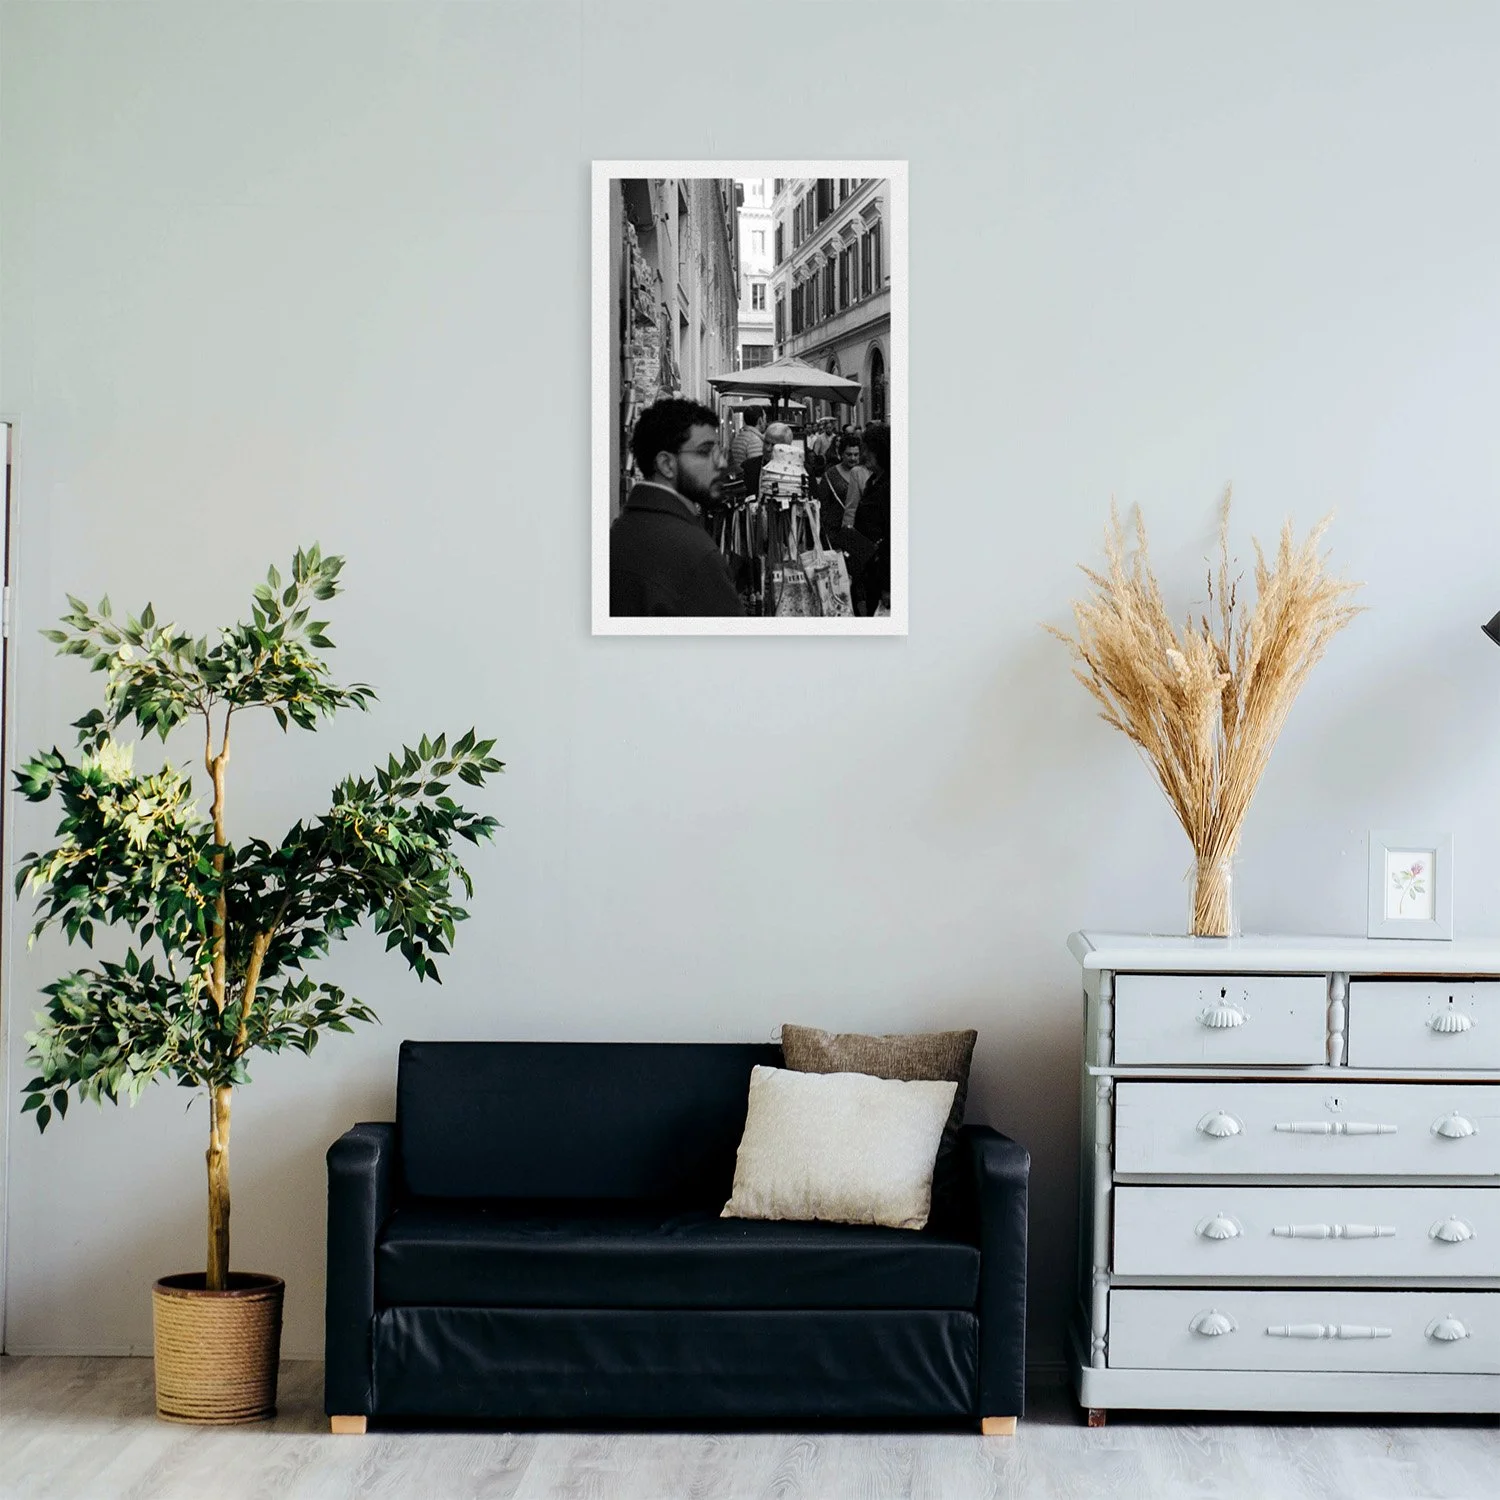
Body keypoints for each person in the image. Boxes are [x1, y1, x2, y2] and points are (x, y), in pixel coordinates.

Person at [610, 399, 744, 616]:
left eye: (718, 451)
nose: (720, 463)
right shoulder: (696, 554)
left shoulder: (618, 532)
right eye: (704, 452)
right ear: (666, 464)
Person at [853, 422, 891, 615]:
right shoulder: (872, 481)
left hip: (881, 572)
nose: (864, 455)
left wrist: (888, 585)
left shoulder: (890, 486)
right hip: (868, 569)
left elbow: (892, 538)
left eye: (869, 450)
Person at [728, 406, 767, 496]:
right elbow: (755, 470)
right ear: (760, 420)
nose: (766, 422)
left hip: (739, 484)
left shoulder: (739, 437)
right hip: (748, 488)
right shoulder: (754, 441)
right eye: (765, 419)